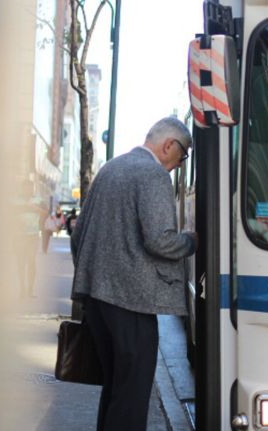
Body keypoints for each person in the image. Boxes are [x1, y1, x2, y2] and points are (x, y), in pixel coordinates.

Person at [70, 117, 198, 431]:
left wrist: (95, 277)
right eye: (182, 158)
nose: (178, 166)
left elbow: (77, 236)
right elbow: (160, 241)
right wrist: (192, 240)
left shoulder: (110, 168)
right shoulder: (153, 175)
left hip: (98, 302)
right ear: (170, 145)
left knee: (115, 389)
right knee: (132, 395)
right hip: (133, 303)